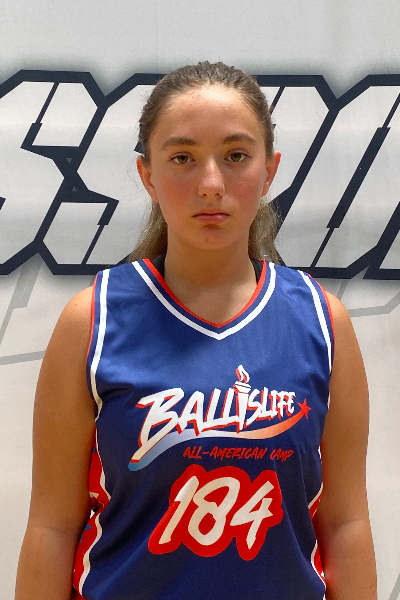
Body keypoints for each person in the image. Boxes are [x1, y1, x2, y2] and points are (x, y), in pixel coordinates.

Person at [15, 62, 377, 600]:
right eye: (182, 158)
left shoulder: (323, 322)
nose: (211, 185)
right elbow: (51, 526)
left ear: (270, 170)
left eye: (236, 156)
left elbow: (346, 523)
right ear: (148, 176)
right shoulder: (93, 320)